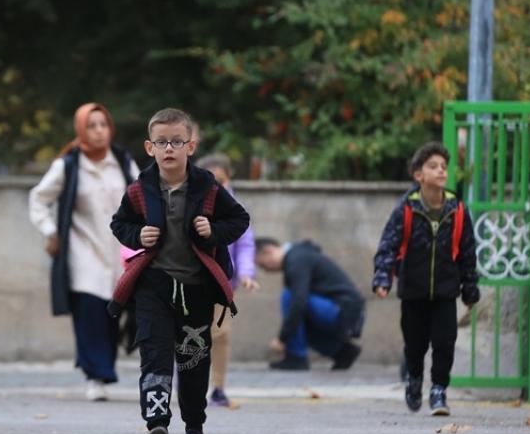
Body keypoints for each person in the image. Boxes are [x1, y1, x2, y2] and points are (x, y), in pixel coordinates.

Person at [109, 108, 250, 434]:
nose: (169, 148)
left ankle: (194, 431)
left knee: (192, 364)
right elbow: (119, 223)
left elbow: (240, 219)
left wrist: (213, 232)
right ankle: (156, 425)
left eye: (176, 141)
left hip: (196, 289)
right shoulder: (140, 190)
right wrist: (138, 234)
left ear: (191, 145)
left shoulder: (208, 187)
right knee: (154, 357)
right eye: (161, 142)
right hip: (154, 286)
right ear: (149, 147)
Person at [28, 103, 139, 402]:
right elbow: (38, 199)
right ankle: (95, 375)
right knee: (89, 313)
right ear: (81, 130)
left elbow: (143, 197)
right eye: (92, 125)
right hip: (82, 250)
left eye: (103, 124)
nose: (99, 131)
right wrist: (50, 231)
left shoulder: (123, 161)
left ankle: (102, 368)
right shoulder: (68, 165)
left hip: (120, 252)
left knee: (113, 315)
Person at [371, 142, 480, 416]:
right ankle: (415, 379)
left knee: (445, 342)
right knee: (415, 344)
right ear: (419, 175)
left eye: (444, 166)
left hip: (445, 291)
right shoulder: (406, 208)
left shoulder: (458, 209)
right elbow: (389, 245)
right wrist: (383, 277)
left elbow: (467, 251)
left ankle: (439, 390)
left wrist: (470, 287)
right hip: (413, 290)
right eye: (433, 166)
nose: (441, 171)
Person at [195, 154, 258, 409]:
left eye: (219, 180)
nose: (215, 187)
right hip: (192, 283)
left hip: (222, 283)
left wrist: (246, 274)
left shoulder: (234, 208)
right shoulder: (191, 203)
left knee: (220, 335)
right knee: (189, 336)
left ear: (229, 179)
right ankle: (187, 386)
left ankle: (218, 387)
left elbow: (245, 244)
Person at [253, 238, 364, 371]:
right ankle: (342, 352)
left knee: (289, 297)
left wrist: (282, 339)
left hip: (344, 312)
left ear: (268, 252)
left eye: (262, 265)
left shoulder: (296, 259)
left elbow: (298, 301)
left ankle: (296, 357)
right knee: (298, 323)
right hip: (346, 312)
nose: (265, 270)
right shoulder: (298, 256)